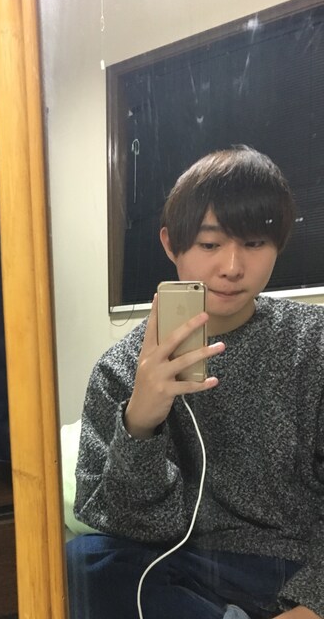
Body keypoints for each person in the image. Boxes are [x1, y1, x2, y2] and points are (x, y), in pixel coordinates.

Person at [67, 145, 324, 619]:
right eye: (209, 245)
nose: (232, 266)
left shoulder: (313, 343)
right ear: (171, 244)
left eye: (254, 243)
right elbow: (121, 526)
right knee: (82, 565)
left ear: (280, 244)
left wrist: (312, 604)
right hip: (175, 566)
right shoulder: (119, 370)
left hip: (291, 565)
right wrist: (139, 425)